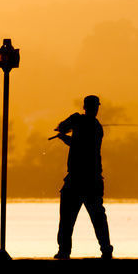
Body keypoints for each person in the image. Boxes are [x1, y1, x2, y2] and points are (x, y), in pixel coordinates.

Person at [53, 94, 113, 260]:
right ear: (94, 108)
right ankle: (106, 250)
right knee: (97, 217)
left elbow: (64, 129)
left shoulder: (77, 120)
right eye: (96, 107)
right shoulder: (97, 127)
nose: (96, 109)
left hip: (76, 180)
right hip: (93, 179)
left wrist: (62, 134)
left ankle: (64, 252)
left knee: (67, 217)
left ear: (84, 106)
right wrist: (67, 135)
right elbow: (78, 142)